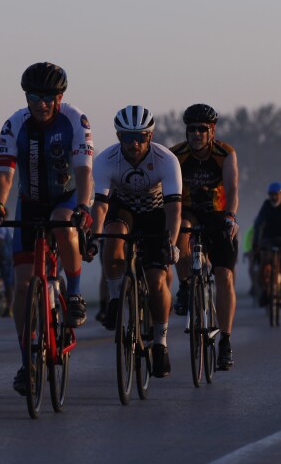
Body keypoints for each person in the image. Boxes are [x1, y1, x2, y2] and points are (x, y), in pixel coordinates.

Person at [0, 62, 94, 395]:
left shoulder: (75, 120)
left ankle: (73, 293)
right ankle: (27, 362)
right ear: (26, 96)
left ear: (60, 97)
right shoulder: (15, 124)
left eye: (49, 97)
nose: (42, 104)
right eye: (35, 97)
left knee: (62, 221)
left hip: (67, 197)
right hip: (30, 202)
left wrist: (85, 207)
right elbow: (4, 174)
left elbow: (85, 172)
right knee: (21, 286)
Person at [88, 105, 181, 378]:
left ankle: (161, 342)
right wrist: (94, 237)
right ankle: (116, 299)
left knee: (156, 279)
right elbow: (101, 206)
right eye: (128, 138)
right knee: (112, 236)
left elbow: (174, 209)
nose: (135, 143)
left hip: (155, 213)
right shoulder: (106, 160)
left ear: (150, 136)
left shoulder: (166, 160)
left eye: (141, 136)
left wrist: (172, 243)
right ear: (119, 137)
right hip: (123, 208)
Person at [170, 104, 239, 371]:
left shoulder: (225, 153)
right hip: (188, 210)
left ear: (212, 131)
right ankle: (187, 285)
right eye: (191, 129)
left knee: (224, 276)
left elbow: (232, 187)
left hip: (218, 213)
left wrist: (231, 216)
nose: (196, 134)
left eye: (202, 129)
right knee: (180, 231)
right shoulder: (177, 154)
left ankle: (226, 341)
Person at [251, 182, 281, 309]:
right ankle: (265, 290)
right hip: (268, 238)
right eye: (271, 194)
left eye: (276, 194)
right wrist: (256, 243)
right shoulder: (266, 205)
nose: (273, 197)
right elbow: (259, 224)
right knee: (264, 261)